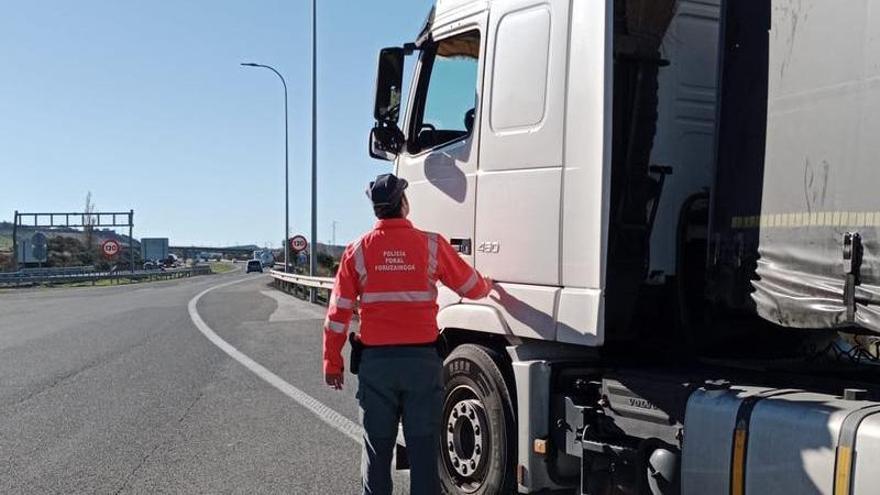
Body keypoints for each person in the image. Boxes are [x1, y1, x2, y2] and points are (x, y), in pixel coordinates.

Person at [323, 173, 492, 495]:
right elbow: (470, 287)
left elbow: (337, 315)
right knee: (424, 449)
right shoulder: (431, 244)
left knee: (377, 449)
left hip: (376, 365)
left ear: (375, 209)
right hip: (422, 362)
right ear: (404, 203)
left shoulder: (356, 251)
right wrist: (488, 285)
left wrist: (332, 362)